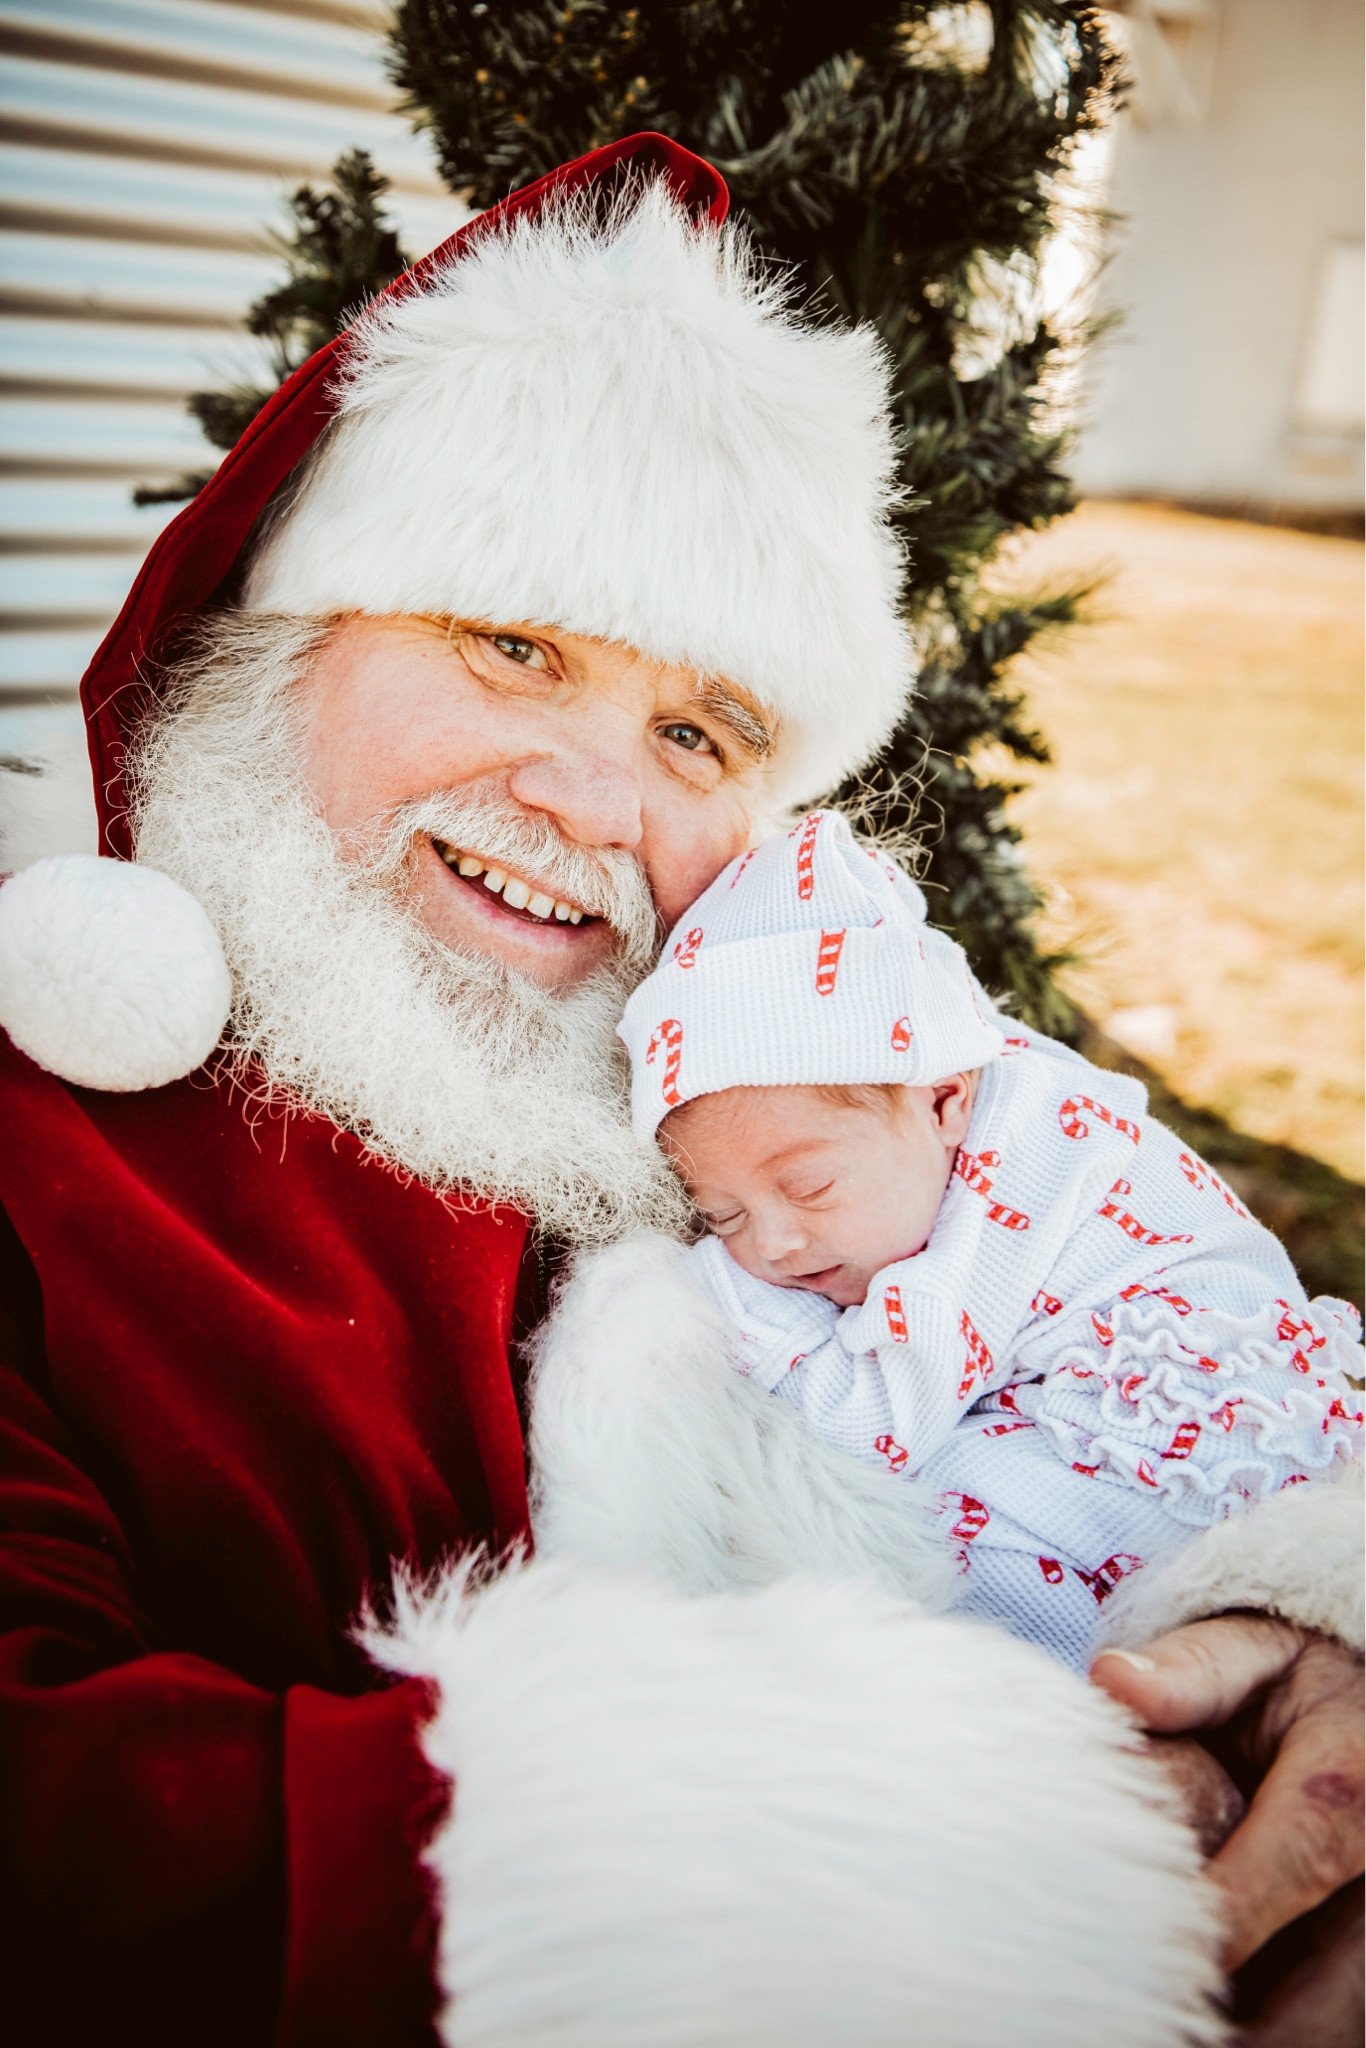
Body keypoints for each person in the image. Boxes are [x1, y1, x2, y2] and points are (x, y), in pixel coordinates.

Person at [0, 135, 1360, 2046]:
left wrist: (1298, 1626)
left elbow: (1177, 1329)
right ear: (276, 640)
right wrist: (981, 1861)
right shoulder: (36, 1158)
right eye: (511, 641)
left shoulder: (795, 1099)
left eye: (696, 730)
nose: (592, 801)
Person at [611, 808, 1363, 1672]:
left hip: (1183, 1452)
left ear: (944, 1102)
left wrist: (717, 1294)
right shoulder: (974, 1084)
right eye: (721, 1216)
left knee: (949, 1524)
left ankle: (1044, 1698)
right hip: (1232, 1422)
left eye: (808, 1187)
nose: (773, 1245)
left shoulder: (1000, 1203)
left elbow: (875, 1428)